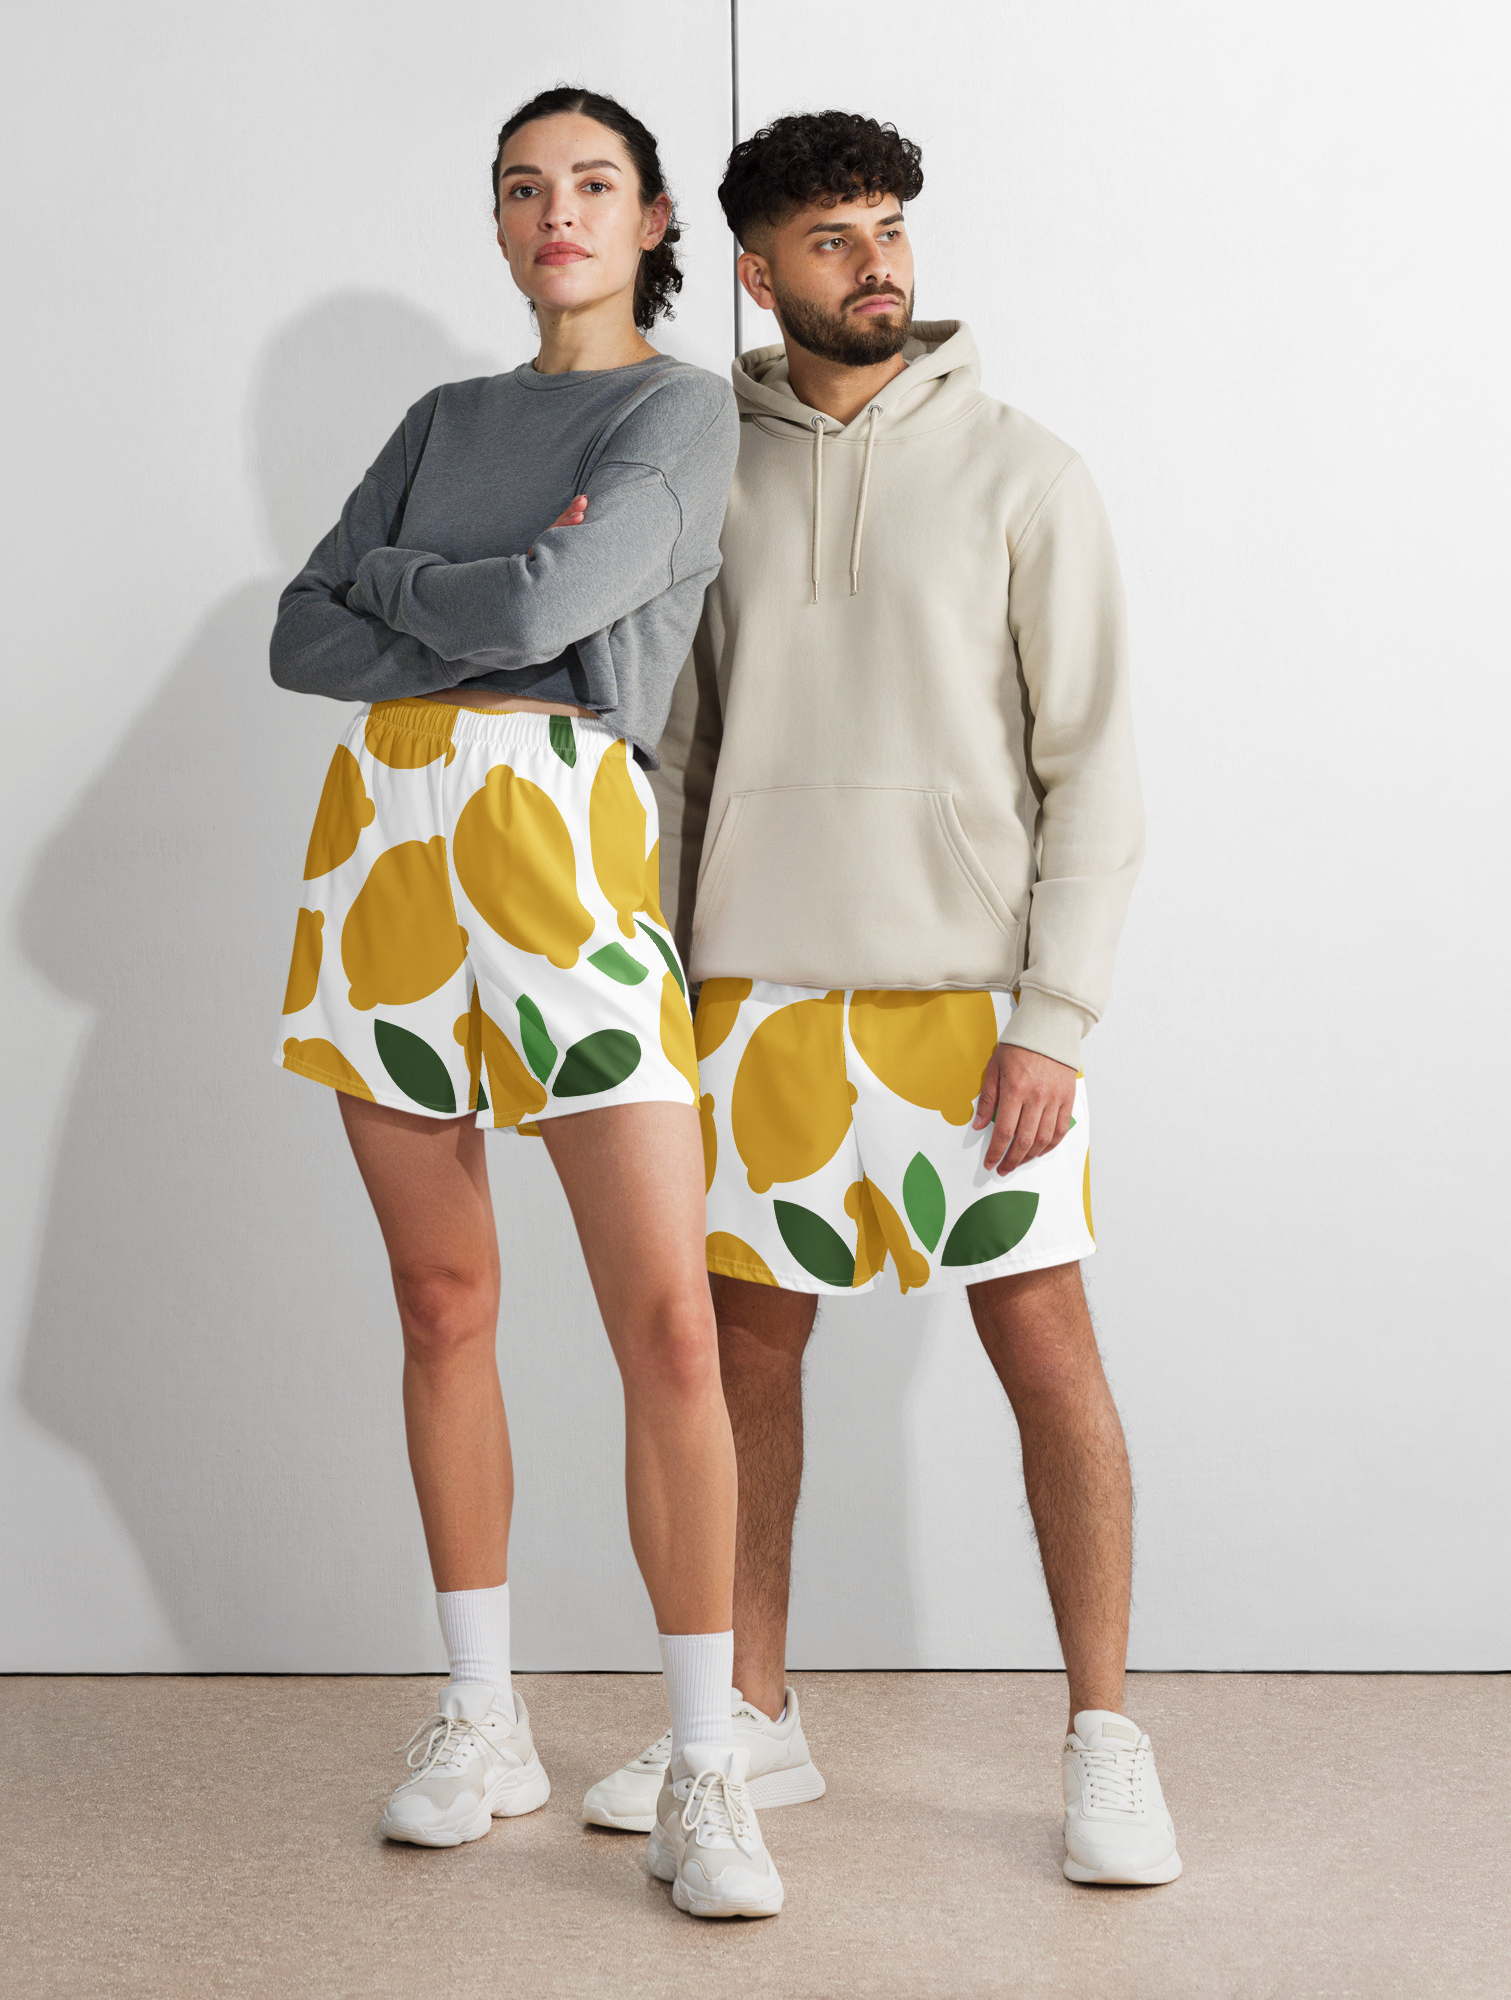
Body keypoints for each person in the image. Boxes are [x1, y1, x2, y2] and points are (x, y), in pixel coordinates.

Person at [585, 110, 1180, 1888]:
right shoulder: (708, 470)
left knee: (1046, 1352)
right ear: (755, 272)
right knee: (744, 1357)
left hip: (968, 1006)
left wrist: (1055, 1017)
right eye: (834, 239)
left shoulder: (1025, 473)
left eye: (892, 228)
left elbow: (1094, 770)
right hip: (755, 996)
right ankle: (753, 1714)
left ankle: (1104, 1738)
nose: (879, 265)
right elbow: (675, 760)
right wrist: (664, 990)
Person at [268, 86, 782, 1919]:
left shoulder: (677, 411)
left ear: (652, 221)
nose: (554, 211)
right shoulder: (444, 419)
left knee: (669, 1328)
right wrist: (470, 603)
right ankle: (482, 1718)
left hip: (565, 844)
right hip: (384, 849)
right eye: (520, 188)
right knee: (441, 1300)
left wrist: (408, 590)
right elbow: (297, 630)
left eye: (591, 184)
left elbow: (561, 596)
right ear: (496, 224)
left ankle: (708, 1764)